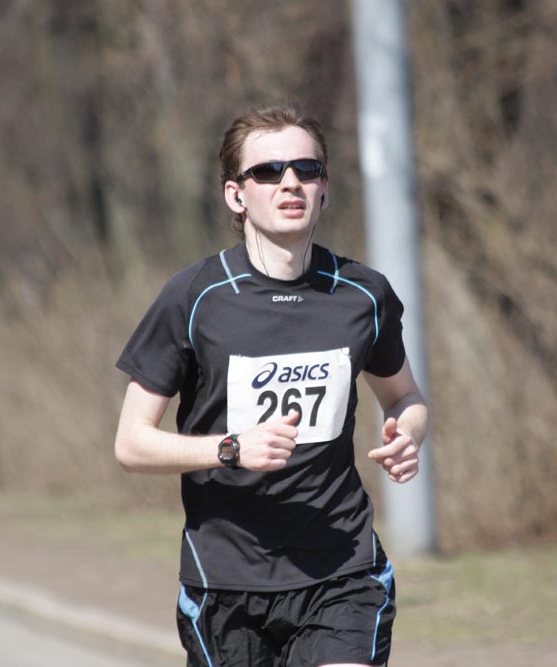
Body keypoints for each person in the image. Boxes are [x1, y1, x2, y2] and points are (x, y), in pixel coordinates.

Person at [114, 101, 428, 667]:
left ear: (324, 189)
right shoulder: (194, 298)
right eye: (267, 171)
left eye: (306, 169)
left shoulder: (363, 295)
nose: (290, 183)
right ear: (236, 195)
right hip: (226, 581)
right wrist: (231, 449)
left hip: (341, 569)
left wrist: (408, 432)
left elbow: (405, 396)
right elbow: (131, 443)